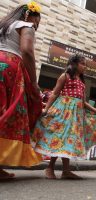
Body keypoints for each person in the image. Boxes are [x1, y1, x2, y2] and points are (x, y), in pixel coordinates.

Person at [33, 54, 96, 179]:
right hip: (64, 111)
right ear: (74, 64)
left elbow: (83, 101)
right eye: (83, 64)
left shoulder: (82, 82)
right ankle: (50, 168)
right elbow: (55, 93)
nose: (85, 67)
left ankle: (65, 171)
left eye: (86, 65)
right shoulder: (65, 76)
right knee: (61, 137)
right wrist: (46, 108)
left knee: (68, 141)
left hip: (76, 115)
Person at [0, 1, 42, 180]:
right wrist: (33, 81)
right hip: (10, 69)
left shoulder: (4, 26)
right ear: (31, 16)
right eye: (38, 21)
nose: (37, 25)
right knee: (10, 114)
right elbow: (27, 51)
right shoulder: (27, 25)